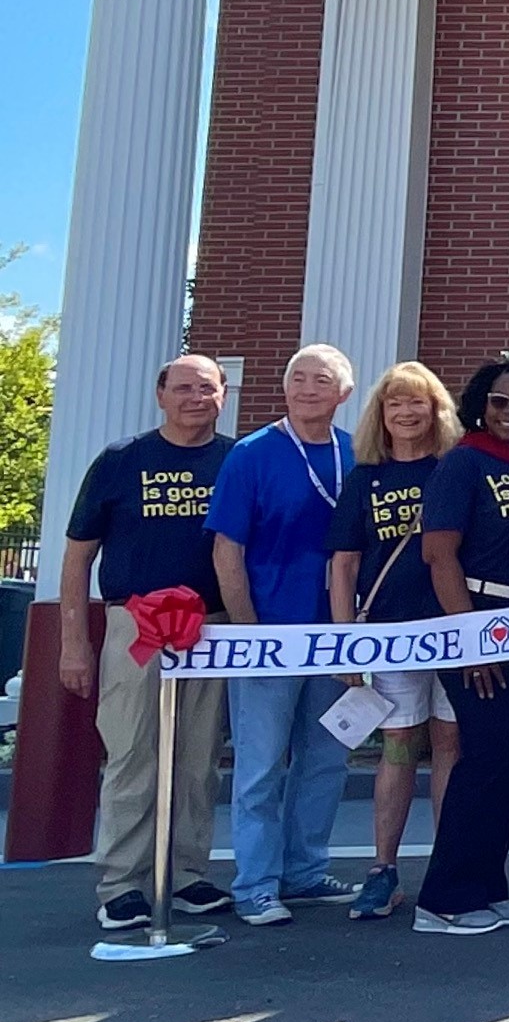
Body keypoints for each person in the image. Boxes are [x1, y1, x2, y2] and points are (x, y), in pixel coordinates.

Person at [60, 355, 235, 934]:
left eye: (206, 388)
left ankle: (187, 875)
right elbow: (79, 554)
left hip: (212, 626)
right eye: (182, 388)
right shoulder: (120, 461)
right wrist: (74, 644)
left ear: (223, 394)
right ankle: (121, 885)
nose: (194, 398)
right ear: (161, 395)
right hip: (136, 625)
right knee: (133, 751)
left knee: (197, 757)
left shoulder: (236, 459)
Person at [208, 344, 362, 926]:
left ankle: (304, 871)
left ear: (343, 392)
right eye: (296, 378)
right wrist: (248, 633)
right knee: (260, 766)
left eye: (320, 380)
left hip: (335, 637)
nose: (305, 388)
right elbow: (228, 550)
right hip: (269, 634)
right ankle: (255, 884)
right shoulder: (252, 455)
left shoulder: (356, 453)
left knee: (326, 758)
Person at [410, 354, 509, 935]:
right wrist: (471, 640)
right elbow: (437, 555)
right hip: (479, 621)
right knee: (481, 759)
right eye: (500, 401)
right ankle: (444, 898)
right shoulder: (462, 464)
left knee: (503, 759)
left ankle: (485, 885)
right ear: (481, 403)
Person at [325, 361, 462, 921]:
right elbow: (344, 564)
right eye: (394, 404)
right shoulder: (364, 478)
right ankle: (383, 870)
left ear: (436, 411)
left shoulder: (454, 469)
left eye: (418, 403)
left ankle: (450, 867)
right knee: (399, 746)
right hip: (387, 632)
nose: (406, 413)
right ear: (380, 415)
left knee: (452, 744)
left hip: (455, 631)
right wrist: (344, 644)